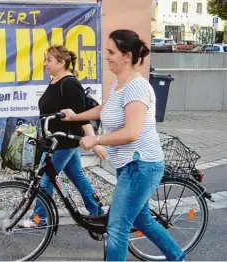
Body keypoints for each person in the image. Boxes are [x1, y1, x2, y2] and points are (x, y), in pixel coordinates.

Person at [60, 29, 186, 261]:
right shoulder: (119, 84)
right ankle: (177, 257)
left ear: (126, 56)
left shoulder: (137, 87)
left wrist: (96, 139)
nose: (106, 56)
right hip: (130, 165)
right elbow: (103, 110)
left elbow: (131, 133)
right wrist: (74, 117)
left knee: (117, 228)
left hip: (142, 165)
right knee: (142, 220)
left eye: (111, 52)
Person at [18, 44, 106, 228]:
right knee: (77, 177)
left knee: (45, 179)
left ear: (62, 62)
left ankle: (39, 219)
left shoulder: (69, 83)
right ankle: (97, 212)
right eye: (45, 60)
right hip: (55, 140)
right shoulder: (55, 80)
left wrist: (95, 141)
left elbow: (82, 116)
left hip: (64, 142)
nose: (45, 64)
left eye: (49, 60)